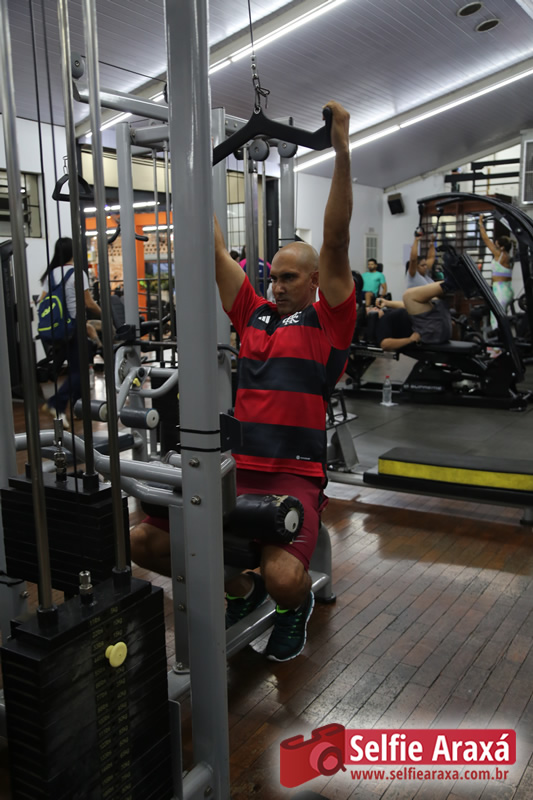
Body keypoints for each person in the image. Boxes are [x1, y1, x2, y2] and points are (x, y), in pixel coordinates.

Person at [130, 100, 357, 662]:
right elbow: (212, 251)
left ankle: (293, 606)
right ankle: (240, 589)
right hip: (237, 470)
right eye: (272, 277)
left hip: (294, 474)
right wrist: (189, 161)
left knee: (284, 579)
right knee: (143, 542)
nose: (276, 286)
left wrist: (341, 149)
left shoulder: (331, 320)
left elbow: (336, 241)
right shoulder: (253, 313)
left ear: (315, 281)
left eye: (289, 278)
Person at [39, 237, 101, 428]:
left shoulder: (51, 274)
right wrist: (105, 314)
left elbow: (41, 301)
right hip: (75, 327)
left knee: (76, 368)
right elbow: (88, 303)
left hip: (58, 329)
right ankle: (55, 403)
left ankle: (77, 409)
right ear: (73, 252)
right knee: (80, 371)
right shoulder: (77, 273)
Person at [372, 279, 453, 351]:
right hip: (428, 331)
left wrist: (387, 303)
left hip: (434, 323)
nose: (373, 308)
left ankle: (452, 281)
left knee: (428, 295)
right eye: (369, 310)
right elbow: (385, 344)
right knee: (408, 295)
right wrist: (410, 340)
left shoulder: (388, 312)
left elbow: (408, 305)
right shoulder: (382, 322)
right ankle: (452, 282)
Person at [478, 215, 514, 326]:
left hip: (500, 290)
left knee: (496, 319)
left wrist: (481, 224)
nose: (494, 245)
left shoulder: (500, 255)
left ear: (501, 247)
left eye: (497, 244)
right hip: (505, 289)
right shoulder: (507, 256)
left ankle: (498, 337)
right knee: (501, 317)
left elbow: (486, 240)